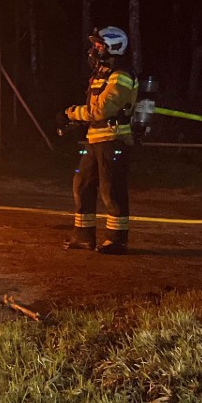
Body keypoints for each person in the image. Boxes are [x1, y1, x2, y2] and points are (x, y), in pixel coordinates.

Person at [58, 26, 139, 255]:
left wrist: (70, 113)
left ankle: (117, 240)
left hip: (114, 140)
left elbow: (102, 109)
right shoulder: (102, 73)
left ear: (113, 46)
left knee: (111, 190)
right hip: (96, 139)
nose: (94, 49)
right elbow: (94, 108)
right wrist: (76, 122)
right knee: (82, 185)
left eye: (99, 45)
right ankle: (83, 236)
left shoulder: (121, 75)